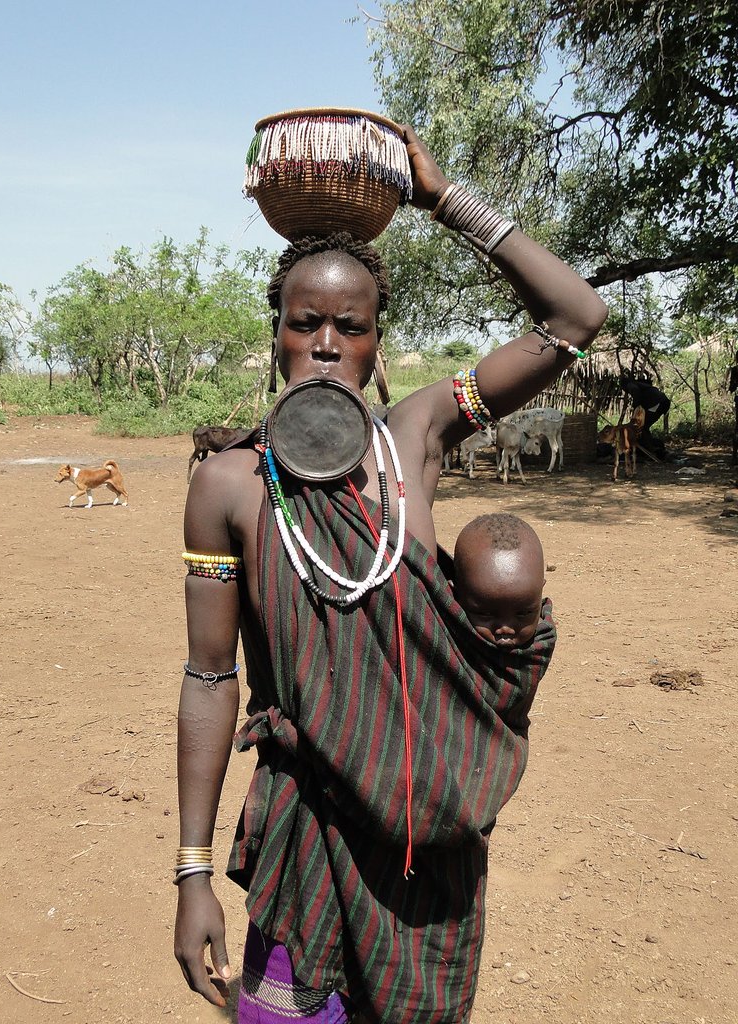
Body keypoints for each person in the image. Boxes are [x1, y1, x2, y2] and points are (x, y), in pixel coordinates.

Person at [174, 125, 607, 1023]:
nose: (326, 344)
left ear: (376, 342)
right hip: (307, 839)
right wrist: (191, 871)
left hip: (424, 838)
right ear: (278, 332)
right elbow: (210, 676)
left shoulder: (414, 437)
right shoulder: (230, 485)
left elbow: (575, 319)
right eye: (305, 322)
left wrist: (448, 201)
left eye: (350, 326)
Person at [453, 513, 548, 651]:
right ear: (454, 595)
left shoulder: (542, 642)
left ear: (540, 594)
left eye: (523, 613)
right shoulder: (443, 648)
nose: (505, 629)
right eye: (485, 614)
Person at [619, 371, 671, 456]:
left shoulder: (630, 385)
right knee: (644, 426)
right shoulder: (640, 385)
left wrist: (636, 406)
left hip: (656, 402)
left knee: (643, 426)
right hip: (662, 402)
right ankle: (649, 446)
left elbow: (635, 391)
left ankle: (650, 448)